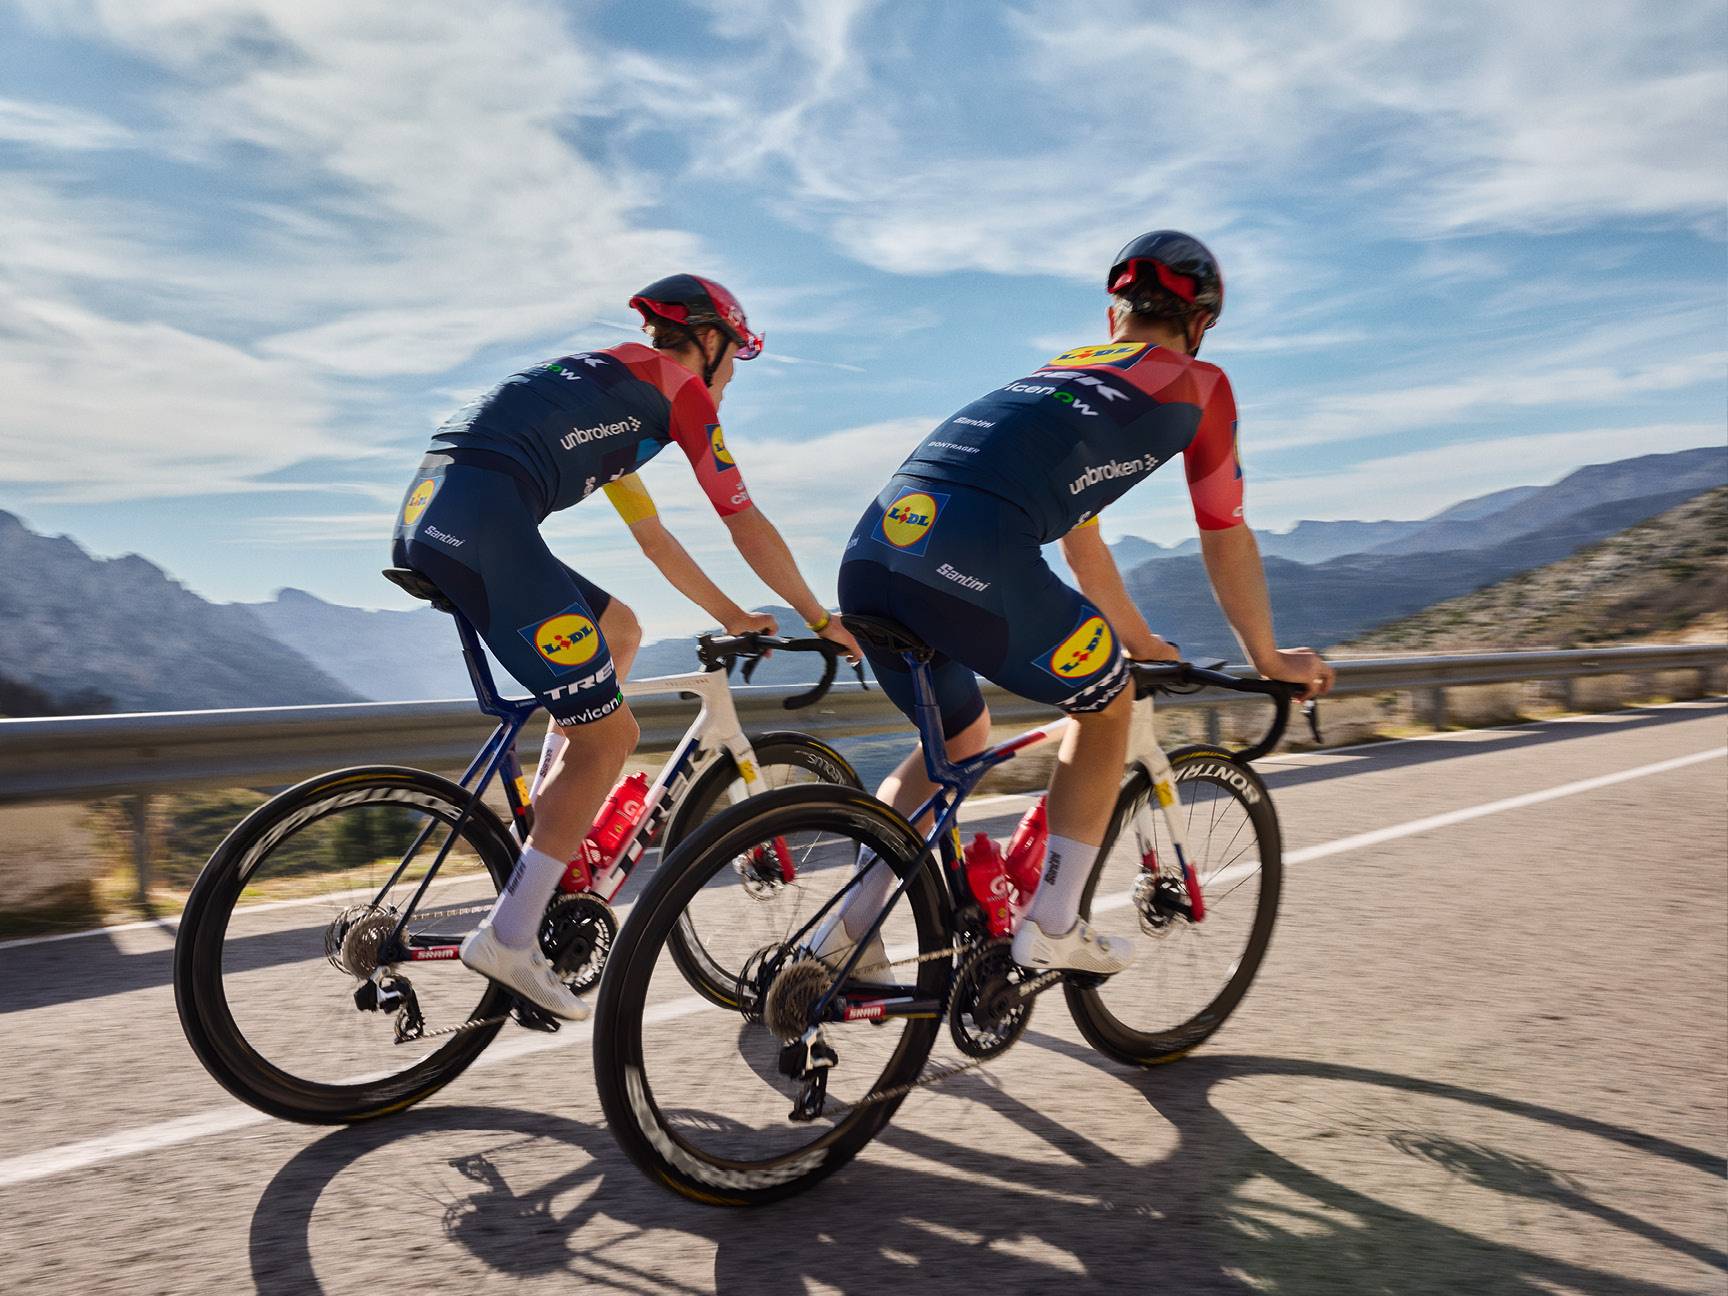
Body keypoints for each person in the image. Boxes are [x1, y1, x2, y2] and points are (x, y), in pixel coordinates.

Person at [824, 230, 1334, 977]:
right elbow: (1224, 532)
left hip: (872, 551)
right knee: (1109, 704)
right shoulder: (1201, 384)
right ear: (1201, 324)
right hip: (972, 552)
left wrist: (1134, 634)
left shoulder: (1057, 377)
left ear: (1114, 316)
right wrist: (1266, 655)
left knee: (957, 744)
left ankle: (843, 938)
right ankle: (1056, 924)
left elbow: (1081, 543)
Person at [391, 274, 861, 1019]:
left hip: (439, 508)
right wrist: (816, 614)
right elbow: (742, 519)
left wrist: (736, 612)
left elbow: (656, 541)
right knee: (615, 735)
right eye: (735, 355)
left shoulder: (609, 394)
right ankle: (510, 938)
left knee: (621, 631)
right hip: (484, 523)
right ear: (710, 341)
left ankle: (555, 828)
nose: (733, 373)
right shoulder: (682, 394)